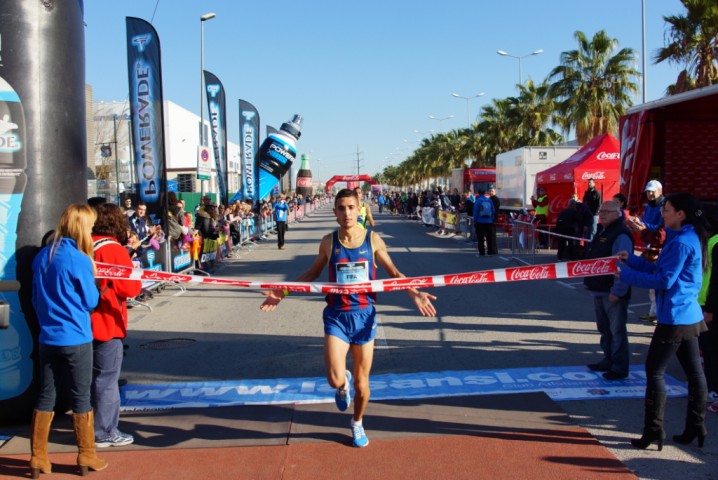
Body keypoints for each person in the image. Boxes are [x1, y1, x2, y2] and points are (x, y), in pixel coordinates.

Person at [259, 188, 437, 448]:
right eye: (341, 208)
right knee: (335, 378)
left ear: (359, 209)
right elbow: (311, 274)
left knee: (363, 385)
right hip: (336, 317)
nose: (346, 213)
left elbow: (395, 272)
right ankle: (343, 388)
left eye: (351, 207)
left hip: (364, 317)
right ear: (335, 213)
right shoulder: (328, 242)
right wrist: (282, 292)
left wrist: (414, 294)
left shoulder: (373, 240)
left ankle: (357, 422)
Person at [616, 192, 709, 451]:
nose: (662, 214)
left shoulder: (681, 242)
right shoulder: (685, 237)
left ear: (681, 214)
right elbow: (660, 269)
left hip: (675, 317)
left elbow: (664, 280)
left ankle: (654, 430)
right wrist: (632, 261)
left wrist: (626, 275)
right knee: (694, 373)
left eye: (667, 210)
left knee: (655, 371)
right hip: (687, 314)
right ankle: (695, 426)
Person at [30, 204, 108, 476]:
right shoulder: (79, 259)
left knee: (45, 395)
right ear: (81, 227)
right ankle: (86, 455)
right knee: (80, 396)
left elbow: (35, 298)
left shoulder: (42, 257)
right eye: (89, 225)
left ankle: (38, 458)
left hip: (47, 336)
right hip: (76, 335)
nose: (91, 229)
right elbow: (90, 300)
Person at [90, 203, 143, 448]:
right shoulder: (112, 248)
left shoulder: (83, 243)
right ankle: (105, 431)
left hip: (81, 321)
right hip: (106, 320)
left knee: (89, 378)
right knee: (107, 379)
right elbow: (129, 288)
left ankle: (91, 426)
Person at [584, 201, 633, 380]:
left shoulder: (620, 235)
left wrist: (617, 291)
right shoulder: (603, 231)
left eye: (607, 211)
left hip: (612, 292)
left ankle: (619, 367)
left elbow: (623, 265)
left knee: (617, 331)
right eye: (601, 211)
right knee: (604, 330)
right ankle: (608, 360)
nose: (602, 214)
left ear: (617, 213)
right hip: (599, 289)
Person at [627, 180, 666, 324]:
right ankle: (653, 312)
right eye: (648, 191)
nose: (649, 194)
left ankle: (658, 313)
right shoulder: (649, 206)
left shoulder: (664, 206)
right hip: (649, 245)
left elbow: (661, 228)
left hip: (658, 247)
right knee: (651, 280)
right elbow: (647, 223)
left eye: (652, 191)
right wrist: (638, 222)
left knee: (657, 280)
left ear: (660, 191)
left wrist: (643, 226)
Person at [698, 205, 718, 412]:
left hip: (710, 305)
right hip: (703, 302)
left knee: (712, 350)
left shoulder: (715, 243)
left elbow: (716, 281)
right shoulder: (710, 241)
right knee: (706, 349)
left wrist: (710, 308)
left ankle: (714, 389)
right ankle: (711, 385)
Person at [473, 189, 495, 257]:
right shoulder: (489, 200)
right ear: (485, 193)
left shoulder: (478, 201)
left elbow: (475, 212)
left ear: (478, 193)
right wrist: (491, 219)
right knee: (489, 237)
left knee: (480, 238)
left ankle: (482, 252)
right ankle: (490, 251)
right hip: (488, 221)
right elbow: (493, 210)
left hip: (480, 221)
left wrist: (475, 220)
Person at [488, 185, 500, 255]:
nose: (491, 192)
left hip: (493, 219)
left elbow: (495, 210)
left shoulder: (495, 199)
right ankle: (491, 249)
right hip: (489, 219)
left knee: (492, 235)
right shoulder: (490, 199)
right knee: (490, 235)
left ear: (495, 192)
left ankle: (494, 250)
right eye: (490, 191)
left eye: (492, 191)